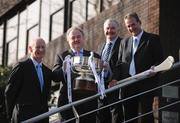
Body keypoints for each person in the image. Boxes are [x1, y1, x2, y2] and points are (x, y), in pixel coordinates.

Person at [111, 12, 164, 123]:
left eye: (133, 24)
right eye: (128, 26)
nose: (131, 28)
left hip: (146, 83)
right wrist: (115, 78)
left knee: (146, 116)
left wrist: (156, 68)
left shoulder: (152, 39)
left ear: (139, 23)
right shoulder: (124, 42)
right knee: (129, 117)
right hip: (128, 85)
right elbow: (119, 64)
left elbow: (160, 60)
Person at [52, 26, 100, 123]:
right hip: (67, 103)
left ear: (83, 38)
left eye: (78, 37)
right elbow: (55, 77)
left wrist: (105, 69)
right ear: (68, 41)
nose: (76, 40)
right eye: (73, 38)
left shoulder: (94, 56)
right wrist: (65, 68)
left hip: (89, 102)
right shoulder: (62, 56)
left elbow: (102, 77)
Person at [5, 37, 54, 123]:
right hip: (24, 117)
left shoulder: (48, 72)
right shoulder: (21, 67)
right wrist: (10, 116)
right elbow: (9, 92)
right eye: (38, 47)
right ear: (30, 49)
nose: (41, 49)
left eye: (43, 47)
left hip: (42, 118)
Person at [97, 18, 123, 123]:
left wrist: (115, 77)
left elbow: (123, 64)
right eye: (107, 28)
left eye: (113, 28)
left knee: (115, 118)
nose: (110, 30)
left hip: (115, 87)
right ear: (104, 30)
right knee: (101, 118)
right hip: (101, 90)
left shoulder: (123, 43)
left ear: (118, 29)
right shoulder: (100, 46)